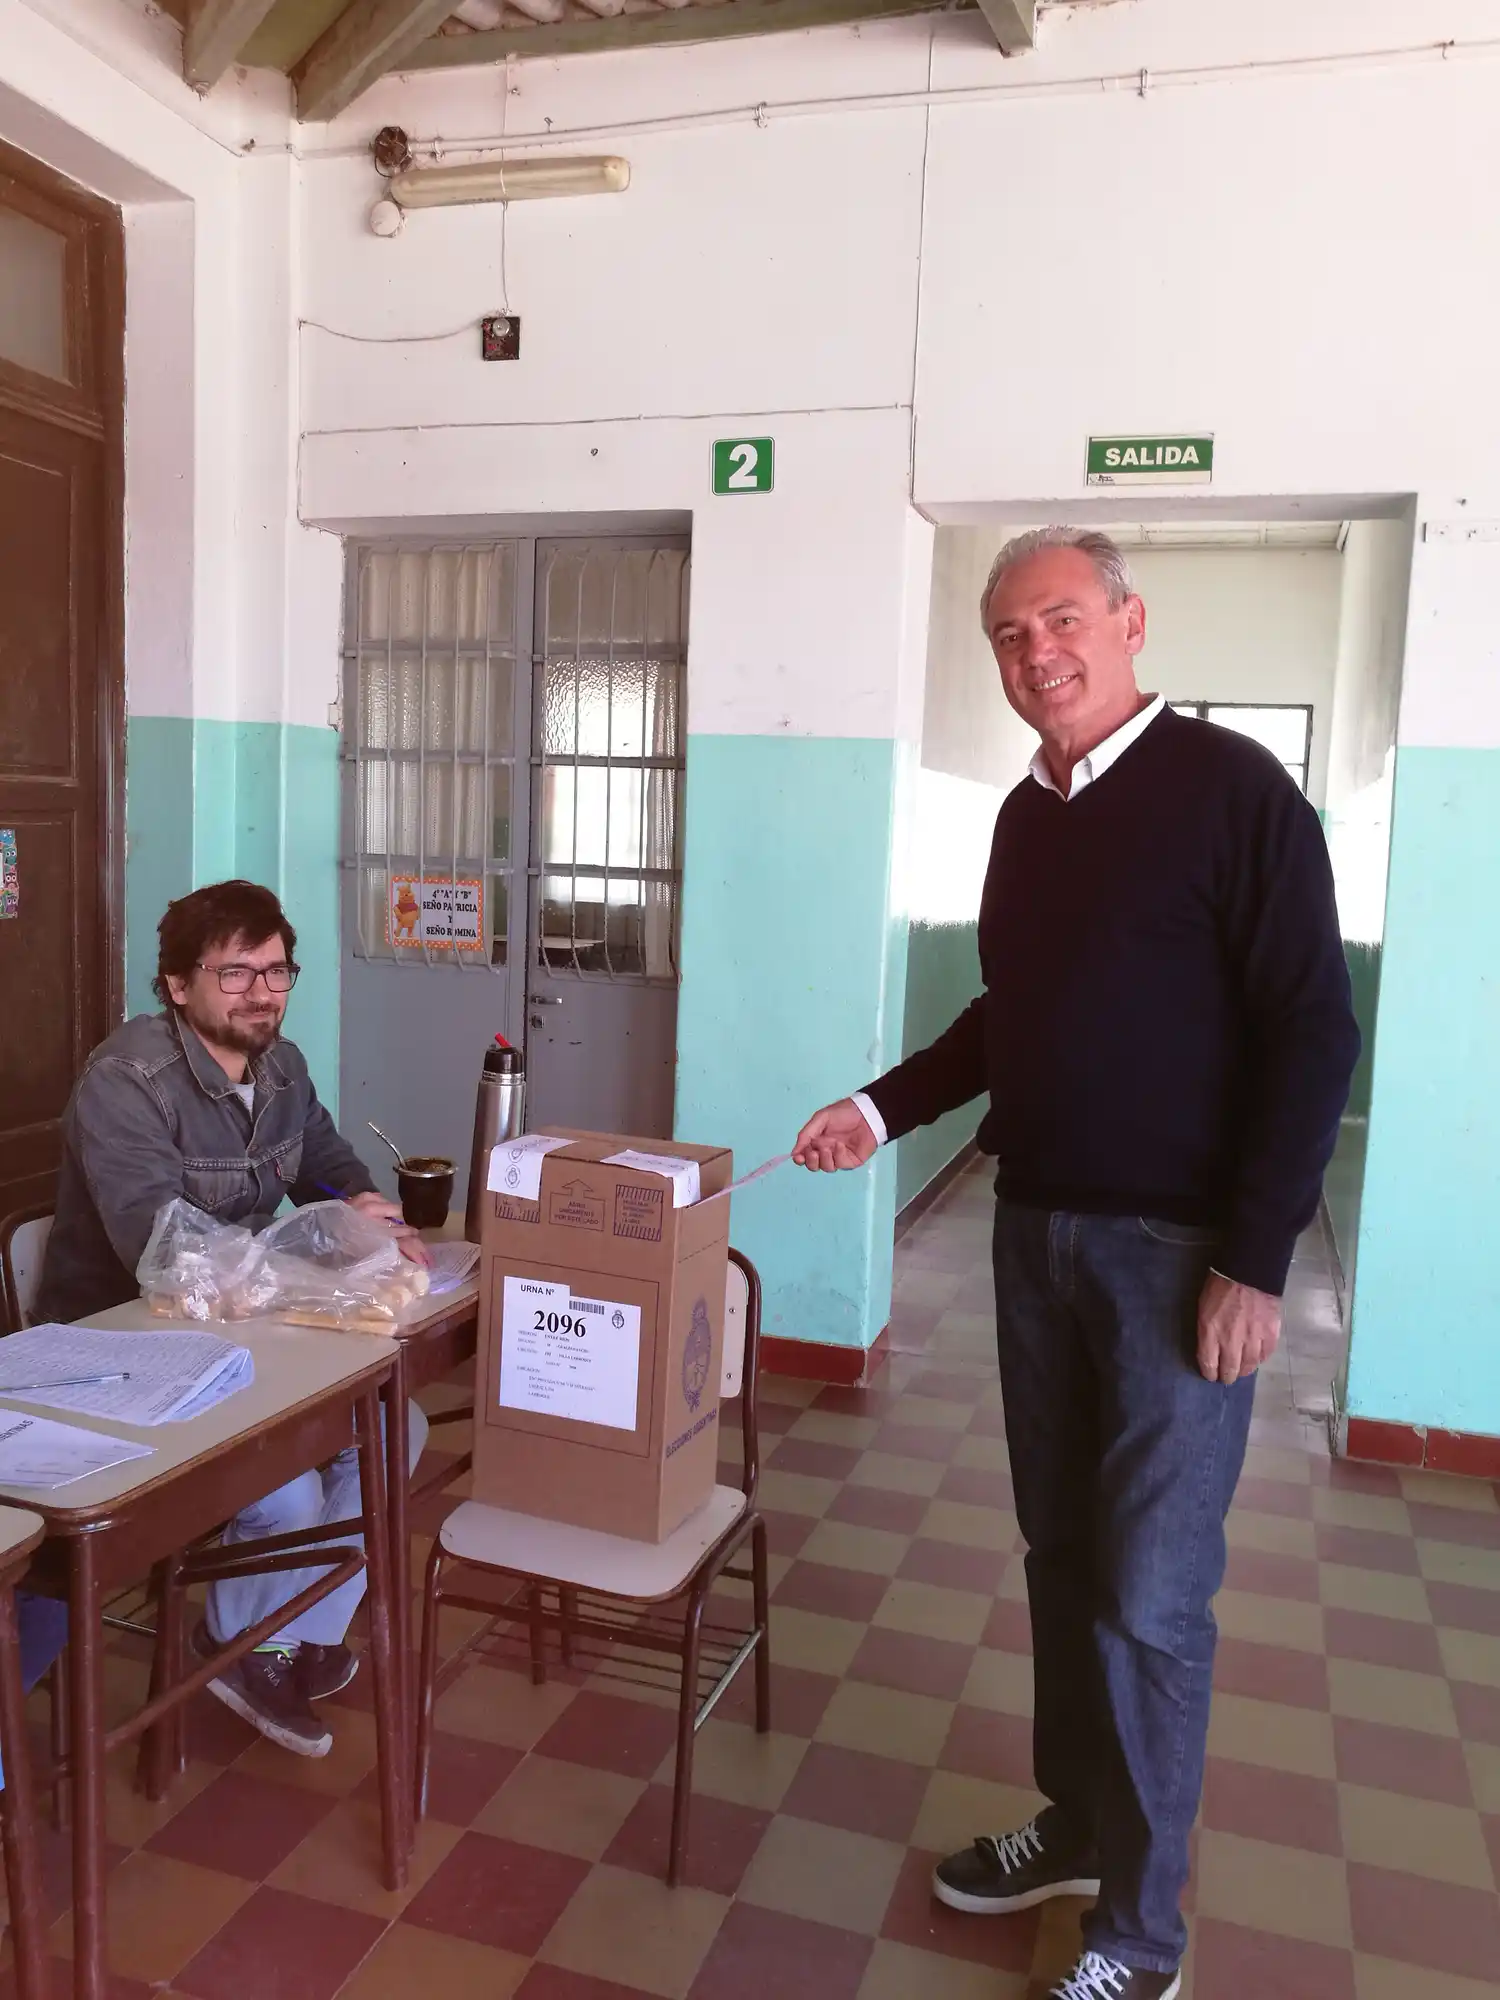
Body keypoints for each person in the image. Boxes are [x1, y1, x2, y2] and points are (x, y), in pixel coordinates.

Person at [794, 528, 1360, 2000]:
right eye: (1008, 631)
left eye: (1061, 619)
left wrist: (1255, 1259)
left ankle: (1143, 1934)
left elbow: (1313, 1031)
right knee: (1062, 1559)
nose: (1036, 650)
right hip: (1035, 1233)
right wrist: (879, 1109)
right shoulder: (1026, 819)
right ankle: (1081, 1825)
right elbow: (1011, 1014)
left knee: (1151, 1596)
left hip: (1180, 1256)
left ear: (1129, 621)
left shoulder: (1235, 791)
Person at [37, 879, 430, 1761]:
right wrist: (312, 1259)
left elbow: (321, 1159)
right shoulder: (127, 1082)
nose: (262, 993)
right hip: (126, 1346)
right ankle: (249, 1644)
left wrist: (358, 1203)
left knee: (394, 1430)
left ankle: (273, 1641)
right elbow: (165, 1251)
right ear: (179, 985)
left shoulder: (280, 1065)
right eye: (236, 974)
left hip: (248, 1328)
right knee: (285, 1489)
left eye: (277, 971)